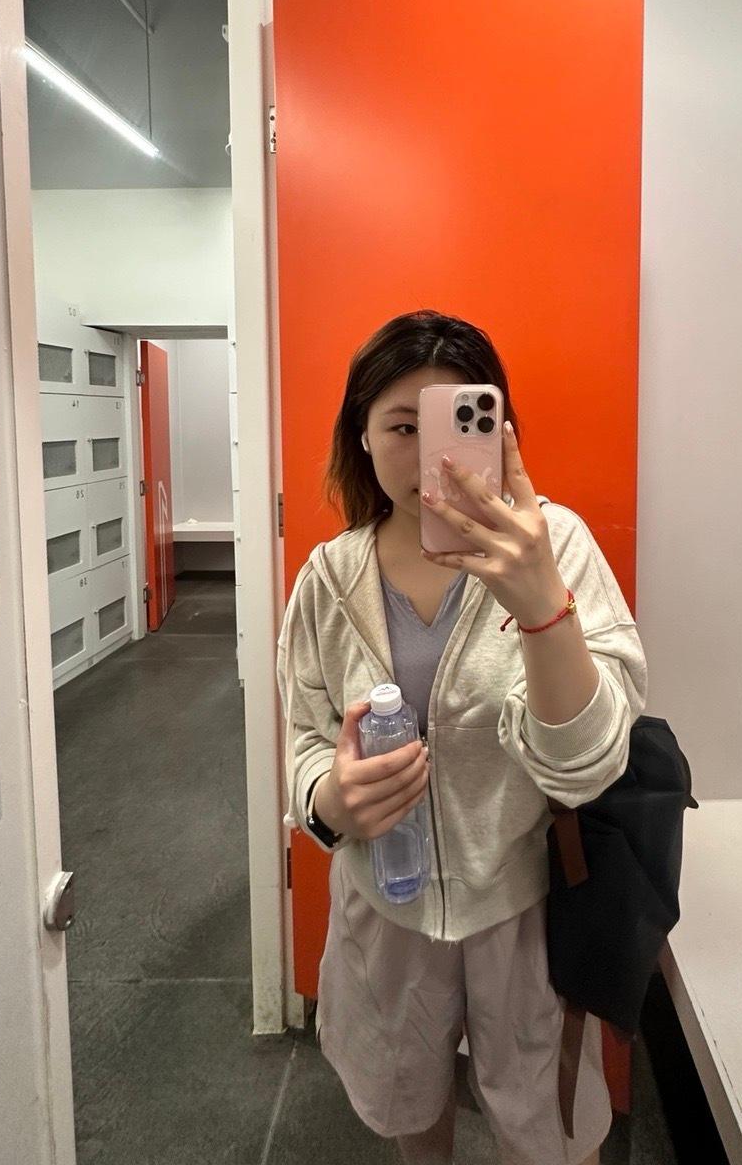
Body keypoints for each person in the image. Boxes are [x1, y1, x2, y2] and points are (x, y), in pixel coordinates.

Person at [277, 310, 647, 1165]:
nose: (430, 459)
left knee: (543, 1126)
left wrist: (540, 602)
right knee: (408, 1103)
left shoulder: (555, 549)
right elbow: (303, 739)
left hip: (524, 900)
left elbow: (590, 764)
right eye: (402, 427)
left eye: (455, 425)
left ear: (498, 432)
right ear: (361, 435)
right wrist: (330, 799)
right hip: (386, 904)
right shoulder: (330, 579)